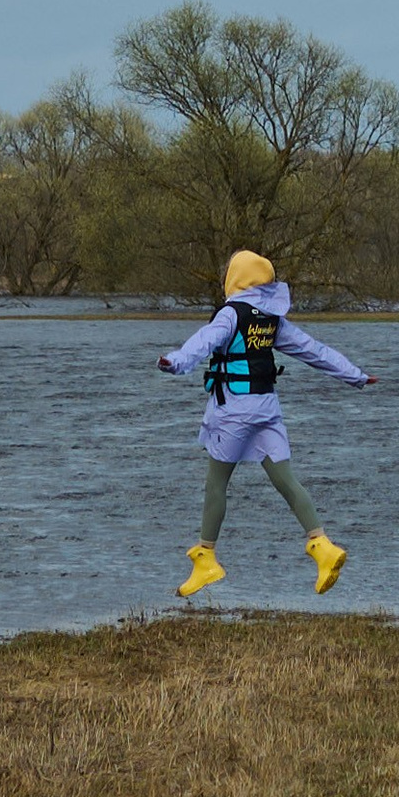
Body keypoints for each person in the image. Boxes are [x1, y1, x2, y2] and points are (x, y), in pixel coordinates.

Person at [158, 249, 374, 600]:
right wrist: (357, 376)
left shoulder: (231, 313)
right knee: (287, 481)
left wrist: (175, 362)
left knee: (216, 485)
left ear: (236, 278)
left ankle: (206, 559)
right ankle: (322, 546)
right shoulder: (272, 317)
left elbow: (205, 341)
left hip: (233, 412)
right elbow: (314, 351)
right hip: (267, 409)